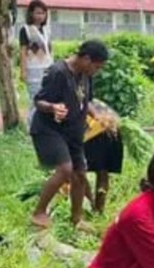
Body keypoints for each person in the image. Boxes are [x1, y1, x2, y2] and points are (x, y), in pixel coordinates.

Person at [29, 40, 109, 231]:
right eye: (96, 67)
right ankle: (39, 213)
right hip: (49, 129)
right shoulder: (58, 72)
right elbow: (39, 101)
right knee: (65, 169)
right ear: (86, 59)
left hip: (73, 130)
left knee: (80, 174)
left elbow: (85, 101)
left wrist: (98, 116)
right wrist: (53, 107)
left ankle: (77, 219)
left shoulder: (85, 75)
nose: (96, 71)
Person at [83, 100, 123, 214]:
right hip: (105, 120)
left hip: (95, 124)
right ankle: (95, 209)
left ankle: (93, 209)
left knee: (78, 169)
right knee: (100, 170)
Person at [19, 1, 53, 123]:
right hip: (33, 69)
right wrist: (23, 71)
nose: (40, 16)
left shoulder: (47, 29)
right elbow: (22, 51)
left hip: (47, 68)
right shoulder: (25, 29)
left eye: (43, 13)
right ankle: (31, 123)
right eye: (37, 13)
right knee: (35, 98)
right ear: (31, 13)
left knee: (47, 96)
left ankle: (43, 123)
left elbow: (50, 50)